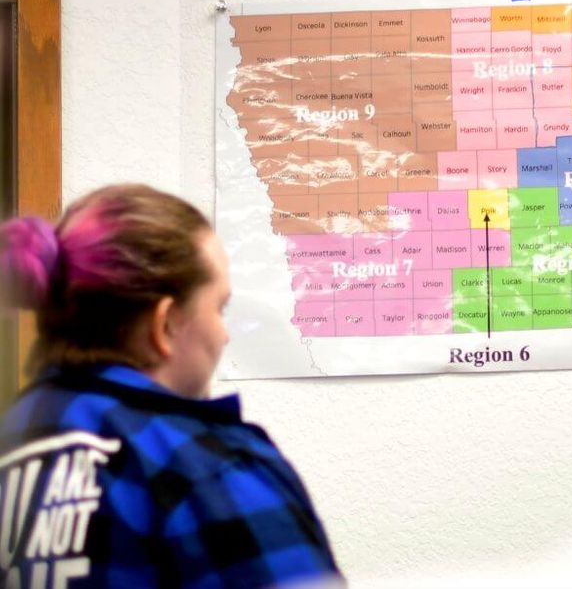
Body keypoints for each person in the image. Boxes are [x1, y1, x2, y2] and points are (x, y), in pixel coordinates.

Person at [0, 185, 344, 587]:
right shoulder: (208, 468)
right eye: (218, 307)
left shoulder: (14, 439)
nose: (224, 336)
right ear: (165, 324)